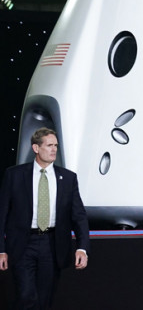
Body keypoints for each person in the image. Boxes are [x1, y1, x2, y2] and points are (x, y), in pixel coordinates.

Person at [0, 128, 90, 309]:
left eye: (56, 145)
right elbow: (2, 214)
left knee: (44, 300)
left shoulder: (68, 178)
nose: (54, 149)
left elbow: (79, 216)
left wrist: (82, 248)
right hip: (23, 244)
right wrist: (1, 249)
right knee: (26, 295)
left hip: (52, 245)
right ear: (36, 148)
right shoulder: (14, 175)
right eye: (49, 145)